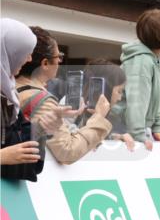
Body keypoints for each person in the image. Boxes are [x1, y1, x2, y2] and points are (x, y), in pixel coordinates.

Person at [15, 28, 116, 164]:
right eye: (58, 57)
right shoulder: (42, 101)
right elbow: (67, 151)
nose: (60, 62)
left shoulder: (11, 87)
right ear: (45, 63)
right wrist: (99, 118)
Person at [1, 19, 56, 180]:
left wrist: (41, 128)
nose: (30, 59)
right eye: (25, 52)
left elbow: (27, 157)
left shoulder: (9, 92)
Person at [119, 8, 160, 150]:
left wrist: (157, 129)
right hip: (126, 132)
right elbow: (136, 100)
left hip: (136, 130)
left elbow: (154, 99)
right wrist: (139, 135)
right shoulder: (142, 61)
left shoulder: (155, 58)